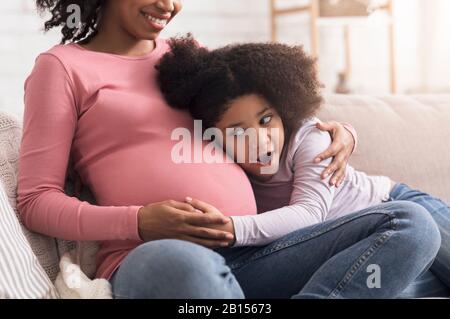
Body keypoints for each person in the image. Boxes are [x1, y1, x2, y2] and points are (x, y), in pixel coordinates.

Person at [17, 0, 440, 298]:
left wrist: (343, 131)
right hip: (156, 254)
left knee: (411, 223)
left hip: (261, 251)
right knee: (180, 264)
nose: (170, 5)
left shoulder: (188, 56)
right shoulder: (62, 68)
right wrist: (141, 222)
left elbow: (271, 111)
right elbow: (36, 201)